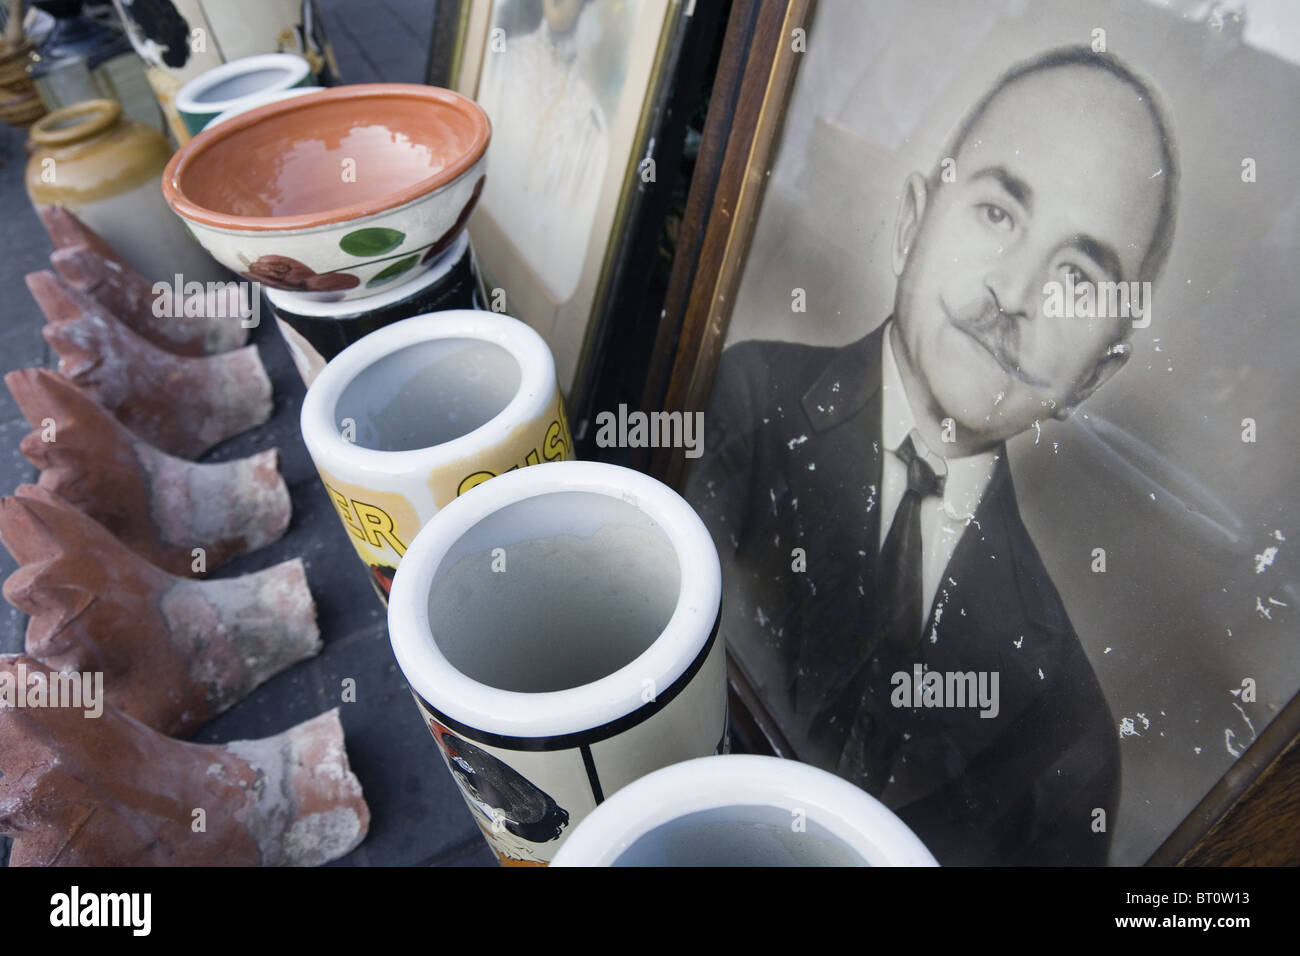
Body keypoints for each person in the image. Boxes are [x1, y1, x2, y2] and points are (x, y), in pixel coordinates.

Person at [686, 46, 1179, 865]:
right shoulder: (734, 406)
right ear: (913, 221)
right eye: (998, 214)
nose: (1012, 296)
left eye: (1076, 279)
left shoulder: (1070, 729)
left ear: (1096, 373)